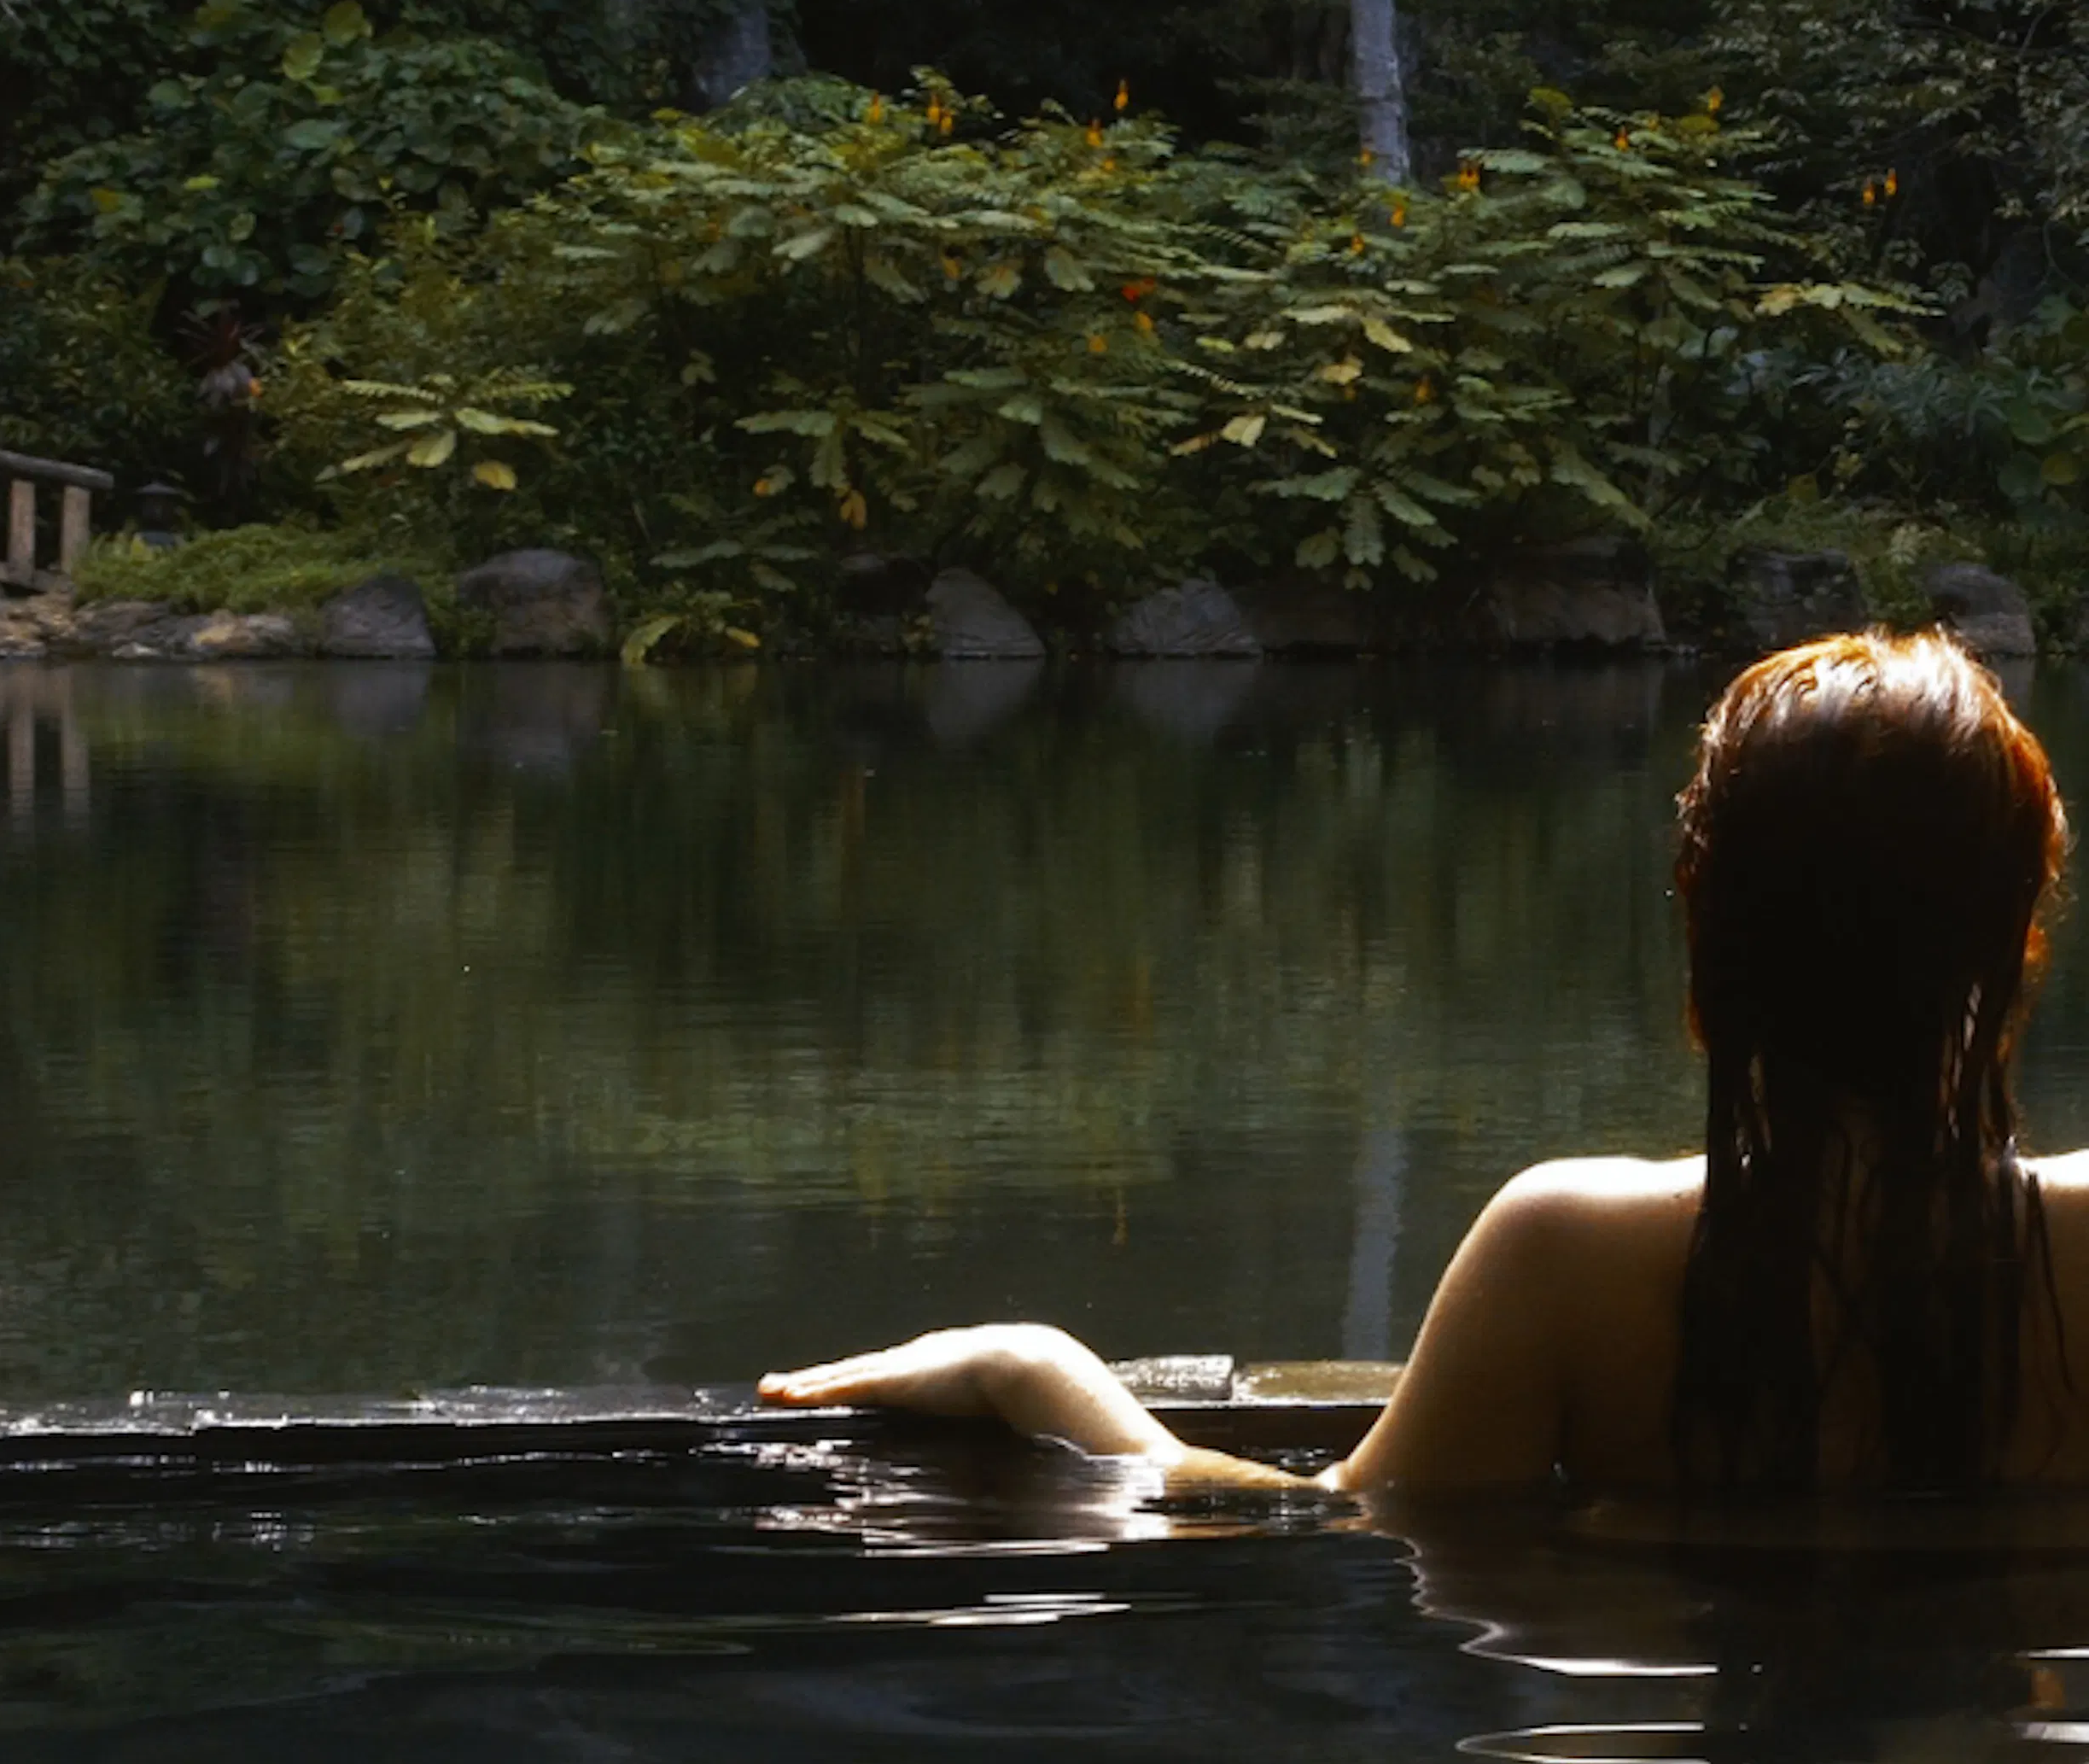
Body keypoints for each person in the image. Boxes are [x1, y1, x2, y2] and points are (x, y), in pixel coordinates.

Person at [758, 631, 2089, 1494]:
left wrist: (1035, 1366)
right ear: (2013, 937)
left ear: (1712, 936)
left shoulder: (1574, 1248)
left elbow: (1326, 1534)